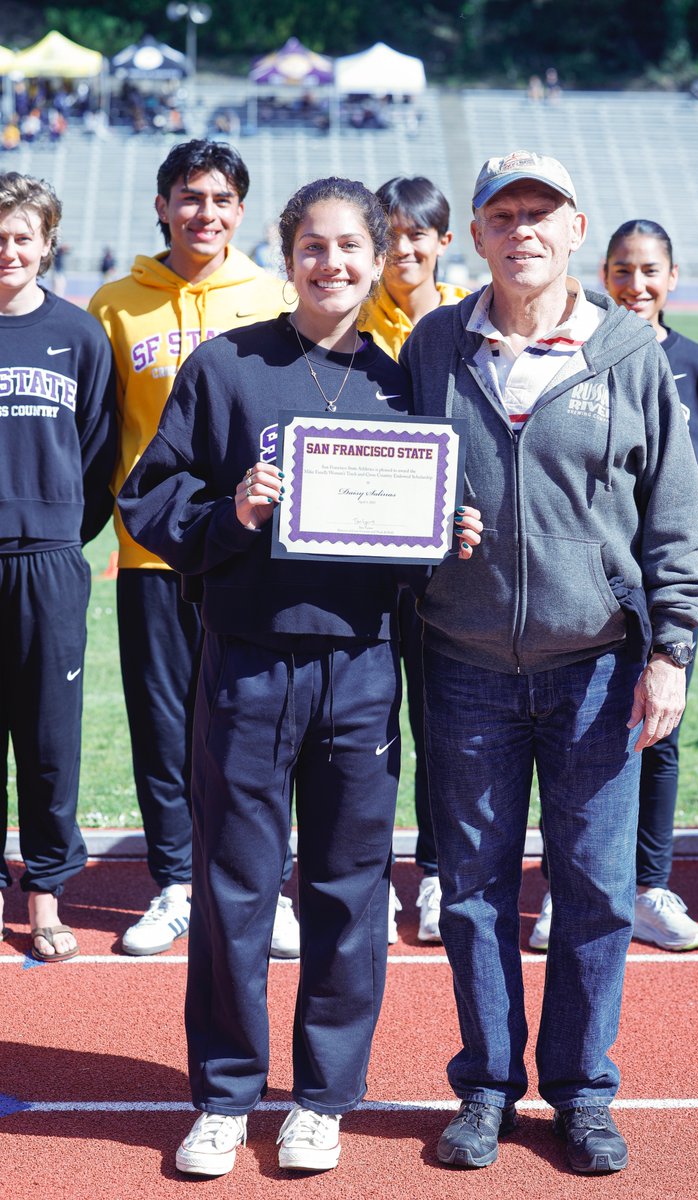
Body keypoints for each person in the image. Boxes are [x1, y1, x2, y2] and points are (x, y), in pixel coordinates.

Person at [117, 175, 481, 1176]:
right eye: (313, 247)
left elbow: (416, 535)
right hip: (245, 664)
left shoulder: (404, 379)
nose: (332, 265)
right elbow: (146, 501)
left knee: (348, 890)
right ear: (288, 257)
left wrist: (447, 536)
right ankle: (227, 1098)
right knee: (235, 888)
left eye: (350, 248)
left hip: (361, 666)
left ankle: (321, 1098)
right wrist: (229, 513)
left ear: (379, 257)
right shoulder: (226, 365)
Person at [400, 151, 698, 1174]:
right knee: (477, 892)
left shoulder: (627, 354)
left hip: (596, 669)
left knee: (594, 893)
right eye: (503, 214)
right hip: (464, 664)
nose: (521, 229)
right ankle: (485, 1089)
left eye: (541, 212)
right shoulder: (435, 343)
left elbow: (672, 520)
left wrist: (668, 652)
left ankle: (580, 1094)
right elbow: (399, 485)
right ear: (477, 235)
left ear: (575, 227)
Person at [88, 140, 296, 958]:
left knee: (259, 722)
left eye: (218, 199)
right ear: (162, 206)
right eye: (188, 197)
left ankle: (266, 883)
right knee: (164, 724)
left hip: (250, 552)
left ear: (240, 211)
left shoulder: (274, 296)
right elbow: (99, 435)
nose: (203, 213)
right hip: (152, 556)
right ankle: (175, 881)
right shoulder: (116, 305)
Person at [529, 219, 698, 953]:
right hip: (589, 587)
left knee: (659, 736)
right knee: (573, 738)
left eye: (649, 271)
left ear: (672, 278)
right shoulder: (579, 353)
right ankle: (564, 887)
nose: (635, 285)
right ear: (602, 272)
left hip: (664, 587)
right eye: (621, 270)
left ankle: (648, 886)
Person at [0, 172, 116, 961]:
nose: (7, 250)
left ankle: (44, 894)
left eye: (20, 237)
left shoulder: (78, 335)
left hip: (47, 561)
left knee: (48, 739)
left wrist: (56, 533)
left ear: (47, 244)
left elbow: (101, 453)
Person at [360, 175, 470, 944]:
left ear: (442, 241)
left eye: (415, 235)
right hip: (362, 555)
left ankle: (436, 873)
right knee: (364, 722)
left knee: (440, 722)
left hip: (446, 564)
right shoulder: (347, 317)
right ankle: (364, 875)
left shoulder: (472, 319)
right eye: (389, 236)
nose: (403, 250)